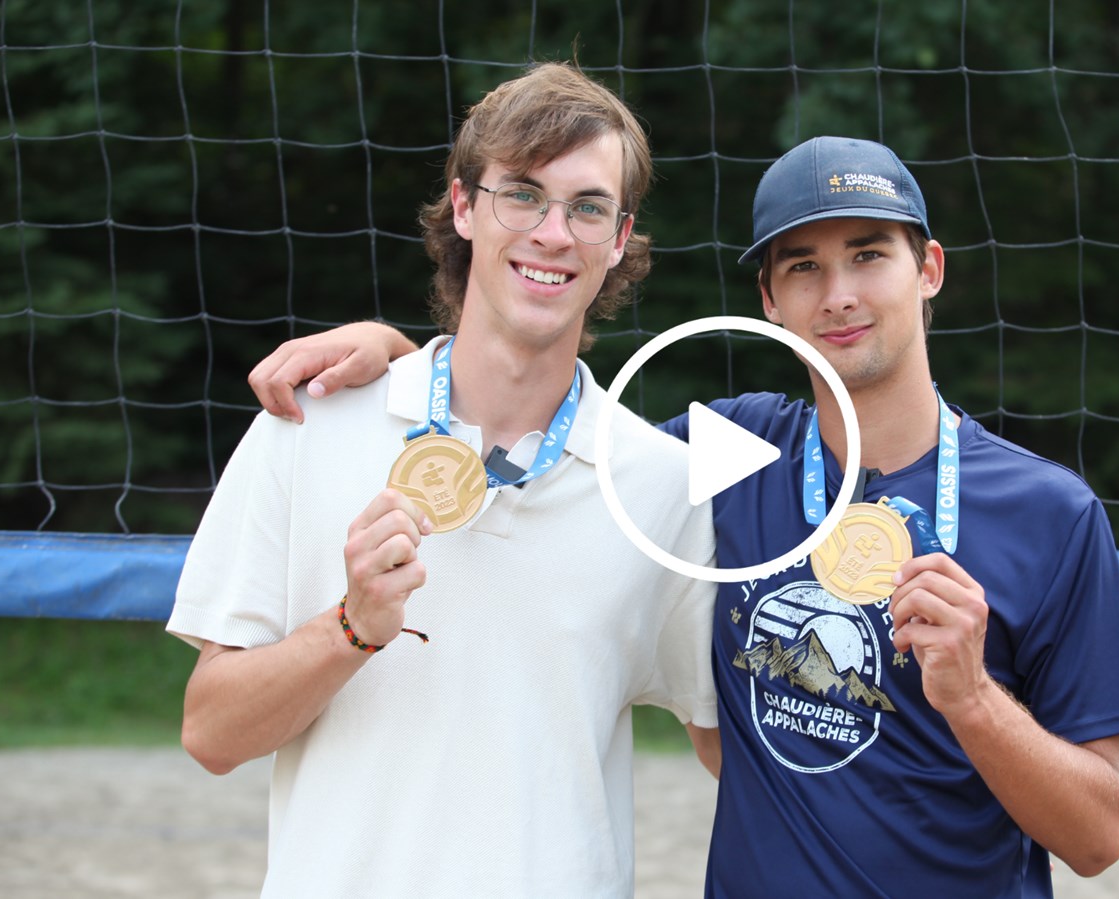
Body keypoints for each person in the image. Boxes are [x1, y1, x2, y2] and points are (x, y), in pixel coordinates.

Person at [252, 136, 1119, 897]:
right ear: (769, 301)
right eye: (803, 266)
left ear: (929, 268)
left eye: (869, 254)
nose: (838, 293)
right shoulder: (730, 455)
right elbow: (543, 418)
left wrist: (972, 700)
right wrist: (402, 356)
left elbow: (1098, 836)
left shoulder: (1052, 513)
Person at [168, 62, 719, 898]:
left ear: (619, 236)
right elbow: (211, 731)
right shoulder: (308, 422)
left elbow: (736, 747)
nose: (552, 232)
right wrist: (351, 627)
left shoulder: (664, 487)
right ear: (464, 206)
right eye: (522, 194)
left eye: (588, 206)